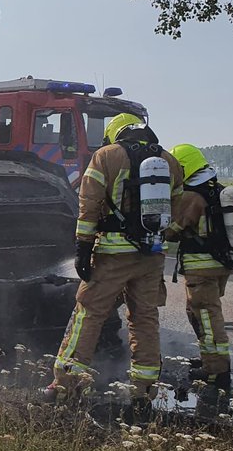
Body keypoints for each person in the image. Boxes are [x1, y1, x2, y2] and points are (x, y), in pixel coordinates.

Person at [49, 113, 182, 413]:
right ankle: (143, 392)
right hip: (151, 257)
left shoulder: (106, 156)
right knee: (144, 318)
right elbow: (177, 209)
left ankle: (66, 386)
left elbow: (89, 204)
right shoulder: (169, 161)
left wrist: (83, 247)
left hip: (111, 254)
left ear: (115, 134)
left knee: (89, 314)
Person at [166, 144, 233, 402]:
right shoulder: (216, 190)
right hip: (219, 265)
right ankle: (211, 361)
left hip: (201, 267)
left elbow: (171, 230)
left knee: (206, 317)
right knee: (197, 312)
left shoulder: (191, 197)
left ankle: (217, 372)